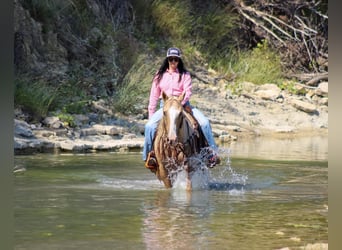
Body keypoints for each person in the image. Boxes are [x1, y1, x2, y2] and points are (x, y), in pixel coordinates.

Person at [143, 47, 219, 168]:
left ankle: (212, 153)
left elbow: (188, 92)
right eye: (171, 59)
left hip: (183, 104)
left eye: (176, 60)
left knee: (204, 123)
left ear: (179, 61)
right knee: (149, 127)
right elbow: (153, 96)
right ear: (167, 60)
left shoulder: (185, 75)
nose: (173, 62)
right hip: (166, 107)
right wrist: (151, 115)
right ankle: (149, 155)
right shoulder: (159, 75)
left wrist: (180, 102)